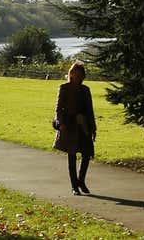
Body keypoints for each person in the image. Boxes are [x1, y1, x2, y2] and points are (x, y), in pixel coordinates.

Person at [53, 60, 96, 194]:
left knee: (86, 153)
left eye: (80, 75)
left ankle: (81, 180)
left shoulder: (85, 90)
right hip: (69, 125)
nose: (77, 77)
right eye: (75, 74)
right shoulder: (64, 88)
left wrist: (93, 127)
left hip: (83, 125)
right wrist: (61, 123)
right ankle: (74, 186)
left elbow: (90, 110)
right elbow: (58, 109)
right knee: (72, 155)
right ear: (71, 74)